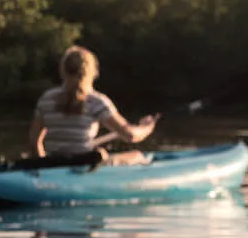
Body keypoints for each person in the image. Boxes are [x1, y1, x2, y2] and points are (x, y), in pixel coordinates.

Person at [25, 45, 157, 168]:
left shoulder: (46, 99)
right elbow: (130, 135)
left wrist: (44, 165)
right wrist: (147, 128)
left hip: (54, 163)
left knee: (101, 154)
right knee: (137, 156)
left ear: (62, 70)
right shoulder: (97, 101)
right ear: (92, 72)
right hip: (85, 165)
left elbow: (34, 141)